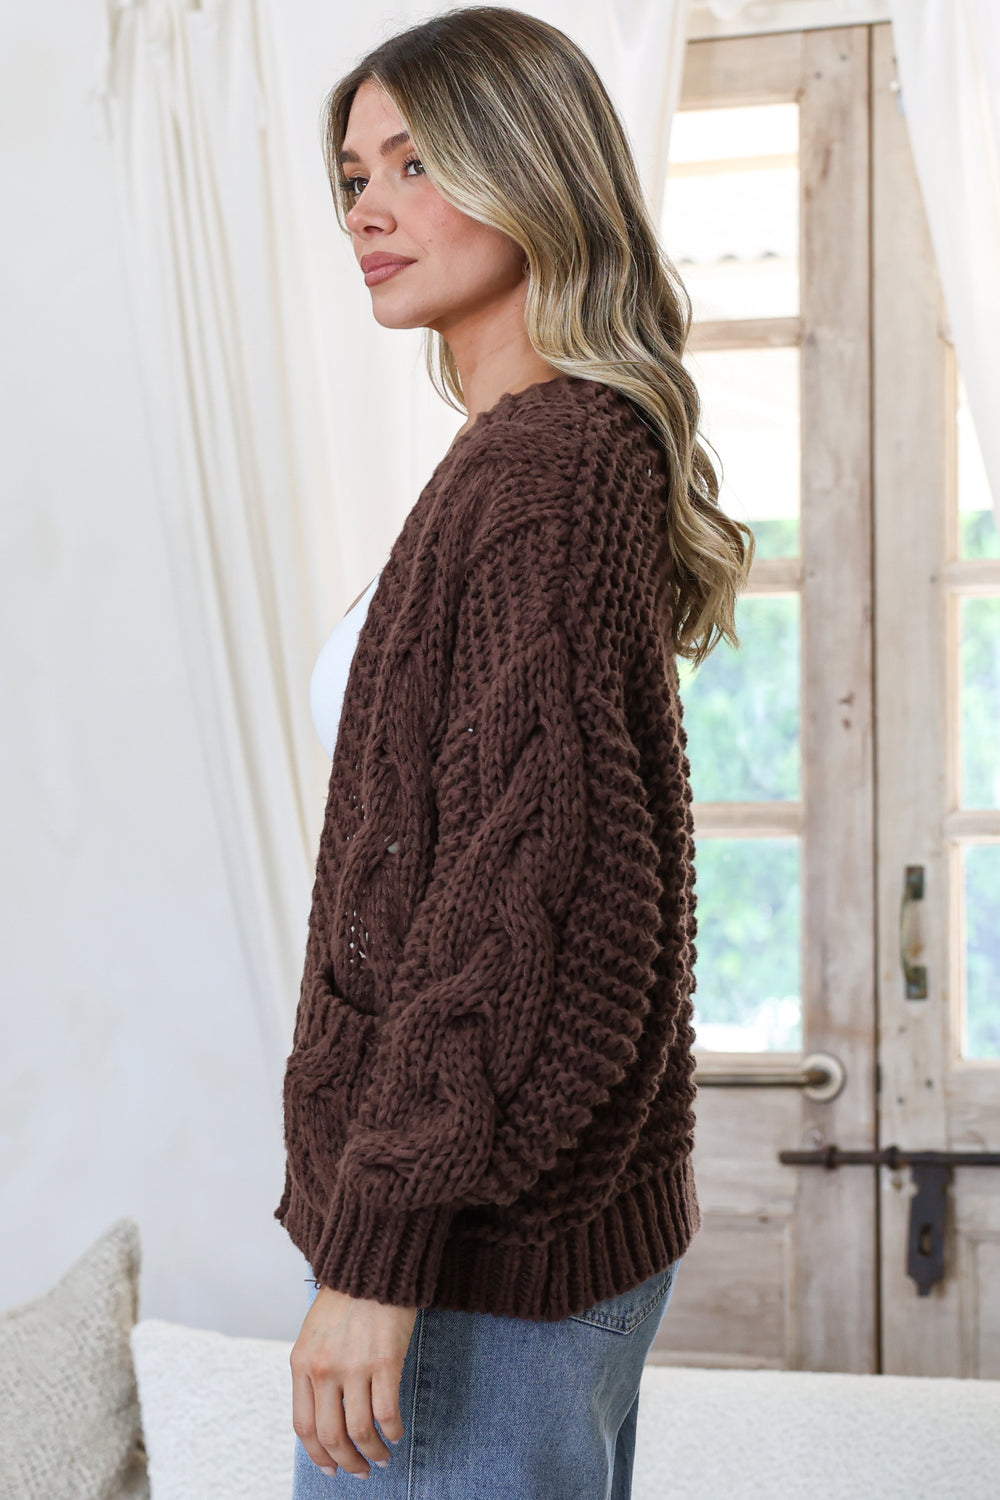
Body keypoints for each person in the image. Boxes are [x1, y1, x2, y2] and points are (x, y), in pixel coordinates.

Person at [275, 7, 753, 1497]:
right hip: (507, 1248)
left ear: (533, 172)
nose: (369, 208)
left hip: (472, 1265)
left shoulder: (545, 470)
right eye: (355, 174)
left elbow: (522, 905)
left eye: (417, 163)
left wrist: (380, 1258)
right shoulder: (531, 454)